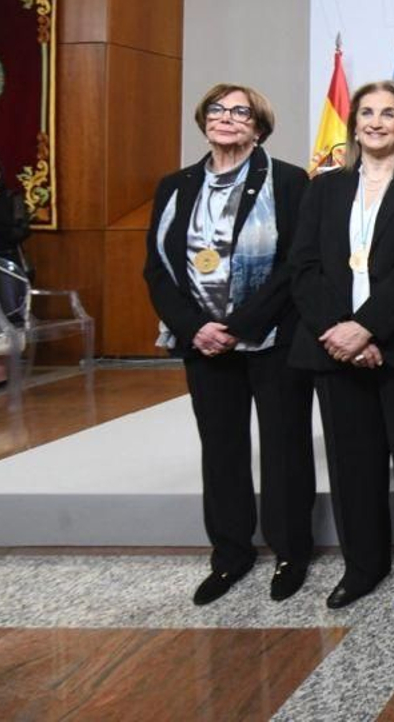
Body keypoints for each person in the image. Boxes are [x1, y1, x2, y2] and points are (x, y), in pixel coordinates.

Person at [143, 85, 317, 604]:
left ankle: (291, 552)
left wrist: (238, 326)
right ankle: (231, 555)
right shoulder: (175, 186)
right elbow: (157, 267)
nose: (226, 118)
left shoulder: (287, 181)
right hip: (201, 340)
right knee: (221, 450)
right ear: (204, 120)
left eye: (240, 112)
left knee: (285, 448)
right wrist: (195, 326)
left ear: (259, 127)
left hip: (271, 339)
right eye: (217, 110)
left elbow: (294, 263)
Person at [290, 80, 394, 609]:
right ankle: (363, 566)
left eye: (388, 113)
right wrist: (341, 331)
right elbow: (304, 267)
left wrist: (370, 328)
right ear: (353, 123)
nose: (377, 122)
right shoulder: (325, 188)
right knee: (351, 463)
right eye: (367, 114)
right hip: (334, 349)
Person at [0, 157, 31, 390]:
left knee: (4, 317)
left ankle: (0, 371)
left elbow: (21, 231)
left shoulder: (12, 199)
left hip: (5, 263)